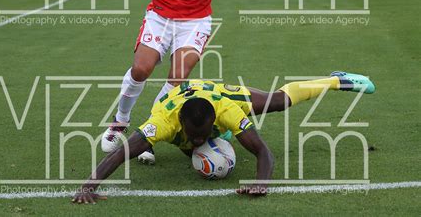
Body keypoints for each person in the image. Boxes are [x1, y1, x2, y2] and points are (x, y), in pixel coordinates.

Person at [72, 0, 272, 164]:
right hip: (161, 17)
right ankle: (120, 123)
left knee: (177, 77)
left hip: (196, 21)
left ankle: (148, 135)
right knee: (141, 69)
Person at [71, 71, 376, 203]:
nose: (200, 139)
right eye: (195, 136)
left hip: (214, 93)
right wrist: (88, 186)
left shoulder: (225, 110)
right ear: (181, 126)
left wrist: (261, 183)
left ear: (215, 123)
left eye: (206, 135)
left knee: (278, 101)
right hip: (179, 99)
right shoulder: (161, 123)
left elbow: (263, 152)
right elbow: (121, 152)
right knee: (191, 152)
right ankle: (196, 143)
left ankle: (338, 80)